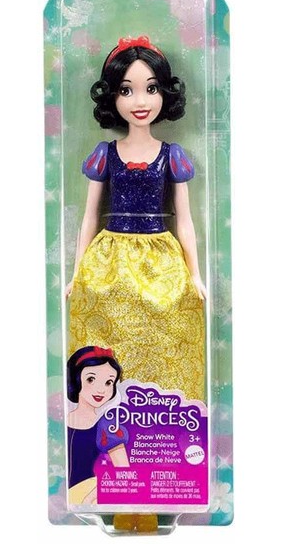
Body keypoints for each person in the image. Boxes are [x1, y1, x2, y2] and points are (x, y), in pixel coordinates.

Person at [67, 35, 206, 401]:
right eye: (127, 91)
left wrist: (195, 274)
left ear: (165, 93)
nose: (140, 102)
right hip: (110, 255)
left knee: (165, 330)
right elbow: (89, 216)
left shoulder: (172, 155)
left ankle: (165, 404)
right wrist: (77, 272)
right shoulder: (106, 153)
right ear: (113, 97)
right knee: (109, 335)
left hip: (160, 255)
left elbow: (185, 220)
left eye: (151, 89)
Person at [67, 346, 129, 505]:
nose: (101, 389)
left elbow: (123, 471)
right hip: (63, 494)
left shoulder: (107, 425)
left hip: (85, 494)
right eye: (91, 379)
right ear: (76, 379)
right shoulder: (60, 420)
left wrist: (90, 497)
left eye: (109, 382)